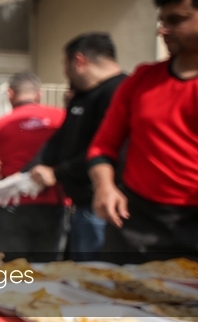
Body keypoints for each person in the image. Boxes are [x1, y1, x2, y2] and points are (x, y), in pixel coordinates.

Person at [88, 0, 198, 256]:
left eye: (176, 20)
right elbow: (102, 147)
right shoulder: (141, 80)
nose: (163, 30)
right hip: (135, 223)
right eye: (162, 22)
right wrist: (105, 187)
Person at [28, 33, 126, 261]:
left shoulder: (120, 92)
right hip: (81, 206)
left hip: (103, 208)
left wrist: (58, 172)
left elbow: (108, 149)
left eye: (65, 65)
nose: (65, 73)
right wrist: (34, 169)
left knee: (96, 281)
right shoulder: (82, 96)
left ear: (79, 61)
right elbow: (61, 139)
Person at [0, 72, 66, 260]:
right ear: (39, 94)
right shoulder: (61, 117)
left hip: (11, 205)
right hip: (52, 204)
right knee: (46, 271)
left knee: (10, 273)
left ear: (10, 94)